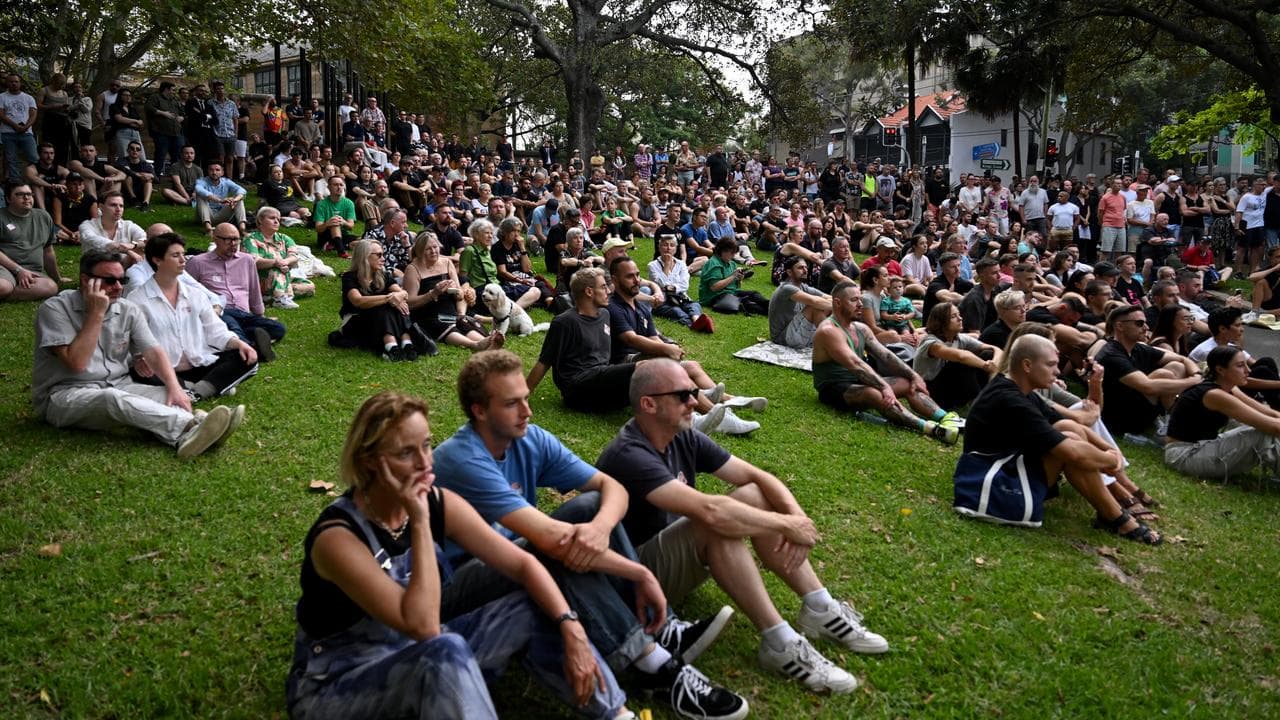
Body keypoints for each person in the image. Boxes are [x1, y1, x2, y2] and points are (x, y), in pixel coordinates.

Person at [434, 351, 750, 720]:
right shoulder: (463, 459)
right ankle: (654, 660)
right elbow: (549, 540)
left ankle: (655, 642)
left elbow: (609, 487)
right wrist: (639, 572)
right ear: (479, 411)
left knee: (589, 511)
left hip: (515, 562)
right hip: (455, 588)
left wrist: (600, 529)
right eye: (511, 403)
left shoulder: (528, 438)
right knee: (557, 546)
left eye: (525, 397)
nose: (527, 411)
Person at [287, 391, 629, 720]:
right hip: (339, 683)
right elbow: (422, 626)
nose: (424, 463)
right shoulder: (338, 537)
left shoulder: (439, 503)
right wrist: (420, 523)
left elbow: (523, 564)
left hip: (418, 653)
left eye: (426, 445)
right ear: (370, 462)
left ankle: (617, 713)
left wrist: (571, 627)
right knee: (444, 650)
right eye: (406, 453)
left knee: (529, 608)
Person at [596, 359, 888, 696]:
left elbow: (758, 478)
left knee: (752, 495)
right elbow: (711, 510)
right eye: (683, 395)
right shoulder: (629, 453)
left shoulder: (682, 435)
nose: (695, 401)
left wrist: (797, 518)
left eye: (694, 391)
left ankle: (819, 606)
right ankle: (779, 643)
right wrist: (785, 524)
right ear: (648, 403)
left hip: (667, 561)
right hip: (632, 585)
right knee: (715, 522)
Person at [32, 250, 242, 458]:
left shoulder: (127, 309)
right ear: (86, 280)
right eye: (109, 281)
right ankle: (190, 426)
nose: (118, 287)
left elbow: (153, 351)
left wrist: (175, 388)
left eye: (121, 280)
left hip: (119, 384)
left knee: (166, 396)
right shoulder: (55, 309)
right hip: (64, 395)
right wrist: (96, 313)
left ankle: (194, 434)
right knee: (112, 399)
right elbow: (77, 363)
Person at [961, 334, 1161, 544]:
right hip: (995, 483)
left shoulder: (1020, 389)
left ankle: (1111, 513)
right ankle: (1117, 518)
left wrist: (1111, 450)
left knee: (1068, 430)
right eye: (1051, 365)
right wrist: (1111, 460)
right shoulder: (1010, 399)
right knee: (1070, 449)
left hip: (1008, 466)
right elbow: (1073, 452)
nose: (1057, 371)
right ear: (1027, 365)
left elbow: (1069, 424)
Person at [812, 281, 961, 442]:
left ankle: (945, 417)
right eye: (854, 300)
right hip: (833, 388)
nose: (860, 304)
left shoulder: (860, 328)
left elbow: (886, 355)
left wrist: (913, 375)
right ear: (838, 303)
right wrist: (884, 387)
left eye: (860, 299)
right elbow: (856, 365)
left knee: (907, 382)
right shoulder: (828, 331)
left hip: (859, 381)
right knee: (875, 393)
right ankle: (929, 428)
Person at [125, 233, 258, 400]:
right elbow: (133, 341)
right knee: (138, 372)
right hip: (163, 370)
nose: (183, 260)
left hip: (201, 363)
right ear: (157, 260)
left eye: (183, 254)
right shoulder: (137, 299)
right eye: (175, 255)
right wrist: (138, 358)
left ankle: (196, 392)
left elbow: (216, 330)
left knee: (245, 357)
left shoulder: (196, 295)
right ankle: (211, 385)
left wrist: (239, 343)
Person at [1165, 346, 1280, 481]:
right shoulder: (1214, 394)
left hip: (1202, 446)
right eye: (1240, 366)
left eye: (1246, 365)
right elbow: (1272, 426)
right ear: (1220, 370)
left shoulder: (1229, 387)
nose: (1248, 371)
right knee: (1262, 433)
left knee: (1264, 431)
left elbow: (1269, 413)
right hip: (1183, 456)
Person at [1095, 305, 1202, 436]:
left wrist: (1197, 374)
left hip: (1135, 405)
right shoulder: (1111, 354)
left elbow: (1182, 359)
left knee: (1176, 366)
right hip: (1118, 417)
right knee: (1163, 374)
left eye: (1145, 323)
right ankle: (1176, 424)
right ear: (1120, 326)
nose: (1146, 328)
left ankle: (1170, 421)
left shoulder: (1137, 347)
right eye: (1139, 323)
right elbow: (1147, 387)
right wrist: (1193, 382)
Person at [186, 224, 285, 358]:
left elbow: (254, 289)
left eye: (236, 240)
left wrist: (260, 315)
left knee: (278, 328)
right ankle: (253, 349)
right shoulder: (197, 262)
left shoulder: (247, 260)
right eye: (228, 240)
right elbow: (187, 292)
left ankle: (252, 341)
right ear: (215, 239)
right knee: (233, 327)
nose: (233, 244)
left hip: (243, 313)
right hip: (219, 312)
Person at [402, 231, 500, 352]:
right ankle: (475, 345)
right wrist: (433, 294)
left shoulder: (447, 263)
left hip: (450, 310)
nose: (433, 251)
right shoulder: (413, 269)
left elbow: (459, 296)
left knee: (461, 322)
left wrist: (456, 290)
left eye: (435, 247)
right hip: (427, 314)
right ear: (420, 251)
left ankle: (488, 342)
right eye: (428, 249)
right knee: (444, 325)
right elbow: (410, 303)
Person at [336, 240, 420, 361]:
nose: (383, 259)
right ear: (364, 257)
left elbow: (403, 293)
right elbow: (358, 301)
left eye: (383, 254)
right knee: (385, 308)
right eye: (379, 255)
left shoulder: (383, 275)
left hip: (379, 321)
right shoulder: (350, 277)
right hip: (355, 320)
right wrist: (389, 298)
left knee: (399, 305)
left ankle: (406, 344)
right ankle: (392, 347)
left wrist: (398, 298)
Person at [914, 300, 1002, 410]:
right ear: (941, 322)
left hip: (951, 389)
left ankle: (990, 396)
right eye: (953, 316)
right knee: (961, 364)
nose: (960, 318)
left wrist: (993, 364)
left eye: (959, 315)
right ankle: (980, 403)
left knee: (987, 354)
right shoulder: (931, 343)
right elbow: (960, 356)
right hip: (931, 392)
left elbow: (995, 349)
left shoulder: (959, 338)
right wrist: (986, 366)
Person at [0, 182, 62, 301]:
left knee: (51, 287)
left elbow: (48, 251)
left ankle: (6, 293)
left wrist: (57, 278)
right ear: (8, 198)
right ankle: (6, 290)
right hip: (4, 268)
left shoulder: (43, 216)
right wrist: (18, 270)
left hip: (31, 271)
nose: (26, 197)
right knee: (3, 287)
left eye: (29, 194)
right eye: (20, 194)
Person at [242, 206, 314, 309]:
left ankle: (272, 296)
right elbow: (253, 261)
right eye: (272, 218)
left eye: (278, 219)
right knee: (275, 271)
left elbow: (294, 256)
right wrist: (276, 263)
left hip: (284, 274)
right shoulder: (250, 239)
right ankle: (279, 298)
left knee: (309, 285)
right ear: (260, 220)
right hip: (259, 277)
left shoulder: (284, 238)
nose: (276, 222)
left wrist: (285, 262)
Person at [768, 256, 831, 349]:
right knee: (815, 307)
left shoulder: (803, 287)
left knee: (829, 306)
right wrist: (843, 306)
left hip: (797, 332)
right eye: (800, 268)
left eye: (806, 267)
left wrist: (844, 303)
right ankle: (833, 342)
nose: (805, 270)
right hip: (783, 339)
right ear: (789, 272)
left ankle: (839, 340)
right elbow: (815, 302)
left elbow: (829, 298)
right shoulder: (786, 288)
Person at [700, 238, 769, 314]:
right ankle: (771, 312)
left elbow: (736, 287)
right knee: (748, 304)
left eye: (734, 253)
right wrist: (733, 276)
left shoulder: (731, 263)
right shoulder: (713, 263)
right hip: (714, 296)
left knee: (754, 294)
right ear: (722, 251)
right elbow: (714, 287)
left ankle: (772, 307)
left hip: (730, 293)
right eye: (732, 253)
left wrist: (739, 279)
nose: (733, 255)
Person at [1, 73, 39, 183]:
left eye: (16, 81)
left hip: (26, 133)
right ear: (7, 83)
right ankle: (15, 183)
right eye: (11, 81)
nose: (14, 83)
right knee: (11, 159)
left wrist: (26, 127)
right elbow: (1, 115)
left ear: (20, 83)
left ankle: (35, 179)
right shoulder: (2, 97)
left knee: (34, 157)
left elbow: (33, 114)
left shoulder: (28, 98)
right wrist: (15, 126)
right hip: (7, 133)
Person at [193, 162, 247, 235]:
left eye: (217, 170)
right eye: (211, 170)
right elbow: (199, 190)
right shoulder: (201, 181)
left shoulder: (226, 182)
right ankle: (208, 228)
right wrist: (220, 200)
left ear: (222, 172)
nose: (214, 172)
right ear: (207, 171)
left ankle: (242, 229)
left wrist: (234, 200)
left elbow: (241, 190)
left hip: (221, 214)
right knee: (201, 197)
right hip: (205, 215)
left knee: (239, 200)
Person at [315, 175, 358, 258]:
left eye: (341, 185)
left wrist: (344, 222)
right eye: (335, 185)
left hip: (343, 234)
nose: (339, 187)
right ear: (328, 187)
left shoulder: (349, 203)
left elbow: (351, 226)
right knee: (335, 222)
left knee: (362, 241)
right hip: (325, 235)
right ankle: (341, 251)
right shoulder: (321, 204)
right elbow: (318, 228)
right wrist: (327, 224)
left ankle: (335, 245)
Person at [51, 172, 96, 245]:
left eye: (80, 184)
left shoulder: (90, 199)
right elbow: (57, 222)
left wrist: (79, 232)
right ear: (67, 185)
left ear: (83, 186)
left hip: (84, 229)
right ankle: (74, 239)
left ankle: (69, 240)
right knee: (52, 229)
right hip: (65, 230)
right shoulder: (59, 198)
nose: (77, 187)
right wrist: (71, 233)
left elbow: (94, 221)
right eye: (74, 184)